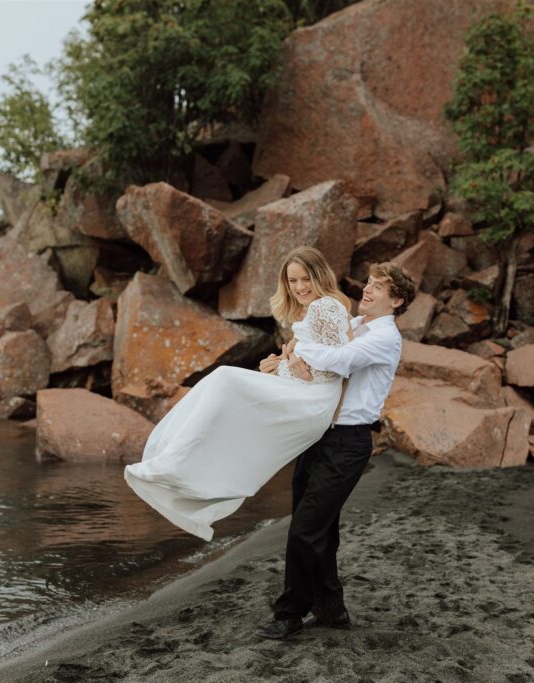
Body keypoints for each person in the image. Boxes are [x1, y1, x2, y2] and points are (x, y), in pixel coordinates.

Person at [123, 247, 352, 542]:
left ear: (320, 276)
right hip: (305, 393)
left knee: (225, 380)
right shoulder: (312, 310)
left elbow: (337, 367)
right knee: (226, 399)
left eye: (305, 279)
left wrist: (287, 368)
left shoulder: (326, 307)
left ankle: (175, 462)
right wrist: (282, 362)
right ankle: (182, 468)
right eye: (293, 281)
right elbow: (308, 358)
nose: (299, 287)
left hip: (313, 400)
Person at [257, 261, 416, 640]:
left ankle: (289, 614)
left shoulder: (384, 338)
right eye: (369, 282)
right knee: (321, 530)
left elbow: (338, 361)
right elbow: (315, 370)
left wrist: (300, 347)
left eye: (379, 287)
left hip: (348, 442)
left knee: (303, 530)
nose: (368, 289)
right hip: (318, 435)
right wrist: (282, 363)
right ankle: (332, 610)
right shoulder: (356, 325)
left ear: (396, 301)